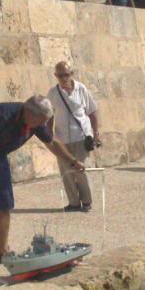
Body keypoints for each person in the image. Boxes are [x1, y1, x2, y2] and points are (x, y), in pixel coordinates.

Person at [0, 96, 86, 272]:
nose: (43, 125)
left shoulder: (34, 121)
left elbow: (51, 141)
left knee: (4, 204)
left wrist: (72, 161)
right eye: (42, 121)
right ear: (30, 113)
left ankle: (1, 251)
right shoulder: (3, 114)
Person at [46, 62, 100, 212]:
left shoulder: (81, 89)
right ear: (56, 76)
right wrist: (49, 133)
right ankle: (73, 202)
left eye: (66, 74)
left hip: (81, 136)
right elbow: (49, 113)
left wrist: (95, 133)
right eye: (60, 75)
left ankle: (87, 201)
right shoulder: (53, 93)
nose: (64, 78)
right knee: (66, 172)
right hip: (62, 138)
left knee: (82, 169)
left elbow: (92, 111)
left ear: (71, 74)